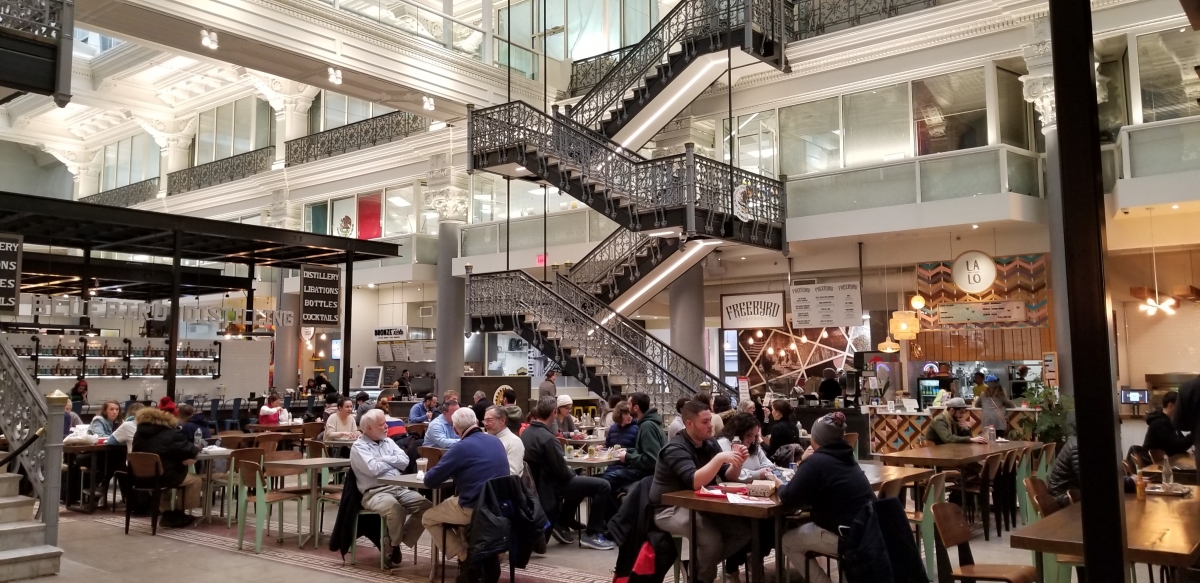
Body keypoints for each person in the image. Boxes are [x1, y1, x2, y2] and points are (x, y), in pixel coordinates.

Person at [651, 400, 750, 583]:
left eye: (710, 420)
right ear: (689, 424)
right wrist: (720, 458)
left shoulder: (709, 442)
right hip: (669, 508)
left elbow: (728, 476)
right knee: (710, 540)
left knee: (742, 532)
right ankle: (702, 577)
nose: (710, 426)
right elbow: (695, 481)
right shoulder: (675, 448)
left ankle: (698, 566)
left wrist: (738, 463)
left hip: (702, 504)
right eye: (704, 422)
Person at [781, 412, 876, 583]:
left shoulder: (815, 462)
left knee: (788, 541)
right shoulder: (848, 458)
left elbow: (788, 498)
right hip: (869, 531)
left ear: (816, 439)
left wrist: (779, 484)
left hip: (846, 536)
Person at [422, 407, 511, 576]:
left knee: (429, 518)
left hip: (474, 508)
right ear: (477, 423)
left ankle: (464, 557)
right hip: (499, 506)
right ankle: (472, 557)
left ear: (455, 429)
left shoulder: (460, 448)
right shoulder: (495, 441)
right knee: (456, 511)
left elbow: (430, 480)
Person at [521, 395, 615, 550]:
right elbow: (563, 472)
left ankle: (562, 522)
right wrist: (575, 475)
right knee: (603, 485)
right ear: (553, 412)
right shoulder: (548, 439)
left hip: (538, 485)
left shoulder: (527, 433)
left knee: (580, 483)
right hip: (552, 485)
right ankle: (591, 534)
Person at [351, 410, 433, 567]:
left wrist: (383, 459)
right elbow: (372, 469)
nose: (386, 427)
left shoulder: (388, 442)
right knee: (395, 509)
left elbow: (405, 461)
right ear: (368, 428)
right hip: (374, 492)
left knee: (427, 507)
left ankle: (394, 542)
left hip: (398, 488)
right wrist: (392, 464)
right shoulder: (359, 447)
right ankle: (394, 545)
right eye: (381, 424)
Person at [132, 407, 202, 527]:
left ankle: (167, 513)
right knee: (195, 480)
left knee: (164, 483)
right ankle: (179, 513)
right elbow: (189, 450)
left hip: (140, 477)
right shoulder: (171, 433)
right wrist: (197, 448)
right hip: (165, 476)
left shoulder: (138, 434)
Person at [602, 392, 664, 494]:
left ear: (636, 408)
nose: (628, 406)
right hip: (641, 471)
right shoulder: (647, 424)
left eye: (629, 404)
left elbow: (652, 459)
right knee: (600, 482)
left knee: (600, 482)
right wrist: (628, 450)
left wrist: (628, 457)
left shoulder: (647, 426)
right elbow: (643, 451)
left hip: (643, 474)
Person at [717, 412, 780, 482]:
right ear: (739, 432)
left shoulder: (754, 446)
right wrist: (758, 474)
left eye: (755, 436)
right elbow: (732, 475)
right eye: (749, 435)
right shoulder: (723, 444)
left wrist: (765, 471)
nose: (753, 439)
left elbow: (768, 465)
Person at [1145, 391, 1192, 457]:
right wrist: (1194, 434)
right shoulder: (1160, 422)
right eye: (1179, 406)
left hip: (1165, 461)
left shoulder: (1171, 421)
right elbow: (1175, 447)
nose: (1181, 410)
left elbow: (1180, 443)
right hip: (1154, 464)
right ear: (1170, 405)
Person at [483, 405, 525, 476]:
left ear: (502, 421)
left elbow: (512, 473)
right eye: (484, 420)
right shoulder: (485, 438)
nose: (486, 424)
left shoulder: (514, 442)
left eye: (489, 420)